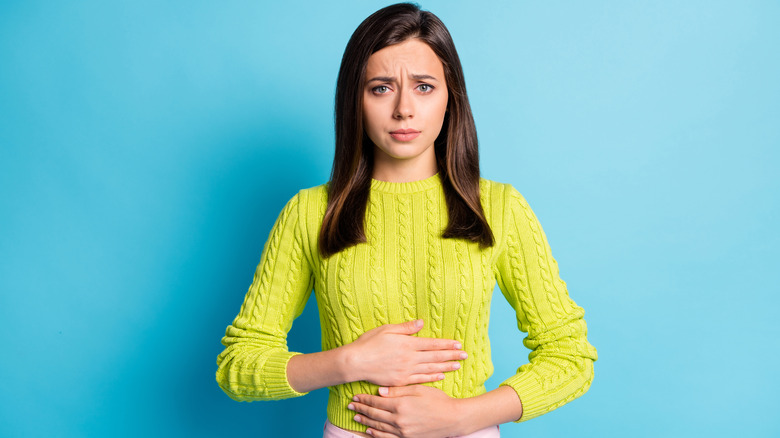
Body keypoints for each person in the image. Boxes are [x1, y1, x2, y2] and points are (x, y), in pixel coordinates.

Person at [215, 3, 598, 437]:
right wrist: (349, 361)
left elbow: (570, 357)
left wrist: (461, 416)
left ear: (450, 95)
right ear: (354, 100)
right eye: (381, 88)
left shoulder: (499, 208)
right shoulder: (310, 213)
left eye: (424, 87)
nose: (403, 109)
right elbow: (237, 365)